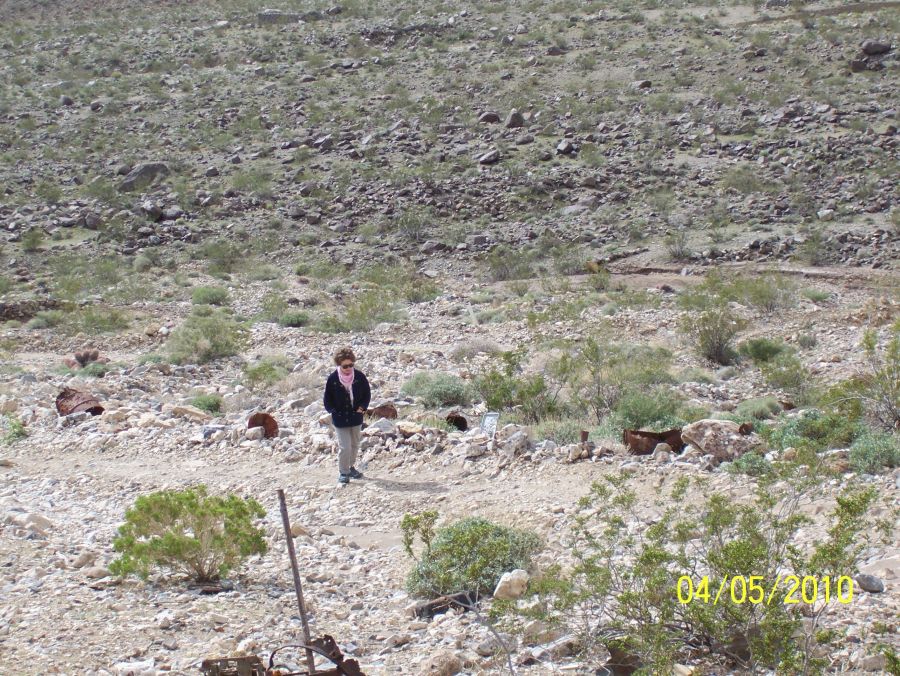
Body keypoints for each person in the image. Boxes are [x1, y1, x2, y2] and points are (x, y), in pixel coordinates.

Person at [322, 347, 371, 484]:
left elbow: (367, 394)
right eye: (345, 366)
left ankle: (351, 467)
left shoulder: (360, 377)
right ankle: (343, 472)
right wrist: (333, 411)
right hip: (340, 418)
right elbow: (327, 399)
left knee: (355, 444)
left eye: (351, 365)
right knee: (345, 446)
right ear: (339, 365)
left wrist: (362, 408)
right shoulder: (333, 379)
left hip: (356, 417)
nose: (349, 368)